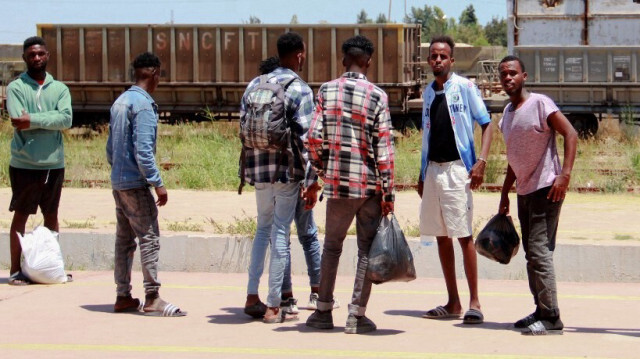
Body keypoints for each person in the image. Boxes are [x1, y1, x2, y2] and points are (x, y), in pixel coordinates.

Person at [305, 35, 395, 334]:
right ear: (368, 61)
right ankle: (356, 316)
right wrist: (388, 190)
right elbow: (383, 148)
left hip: (338, 188)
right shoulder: (377, 96)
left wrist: (323, 170)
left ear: (344, 60)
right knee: (366, 251)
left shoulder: (326, 91)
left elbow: (314, 138)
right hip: (369, 187)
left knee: (331, 248)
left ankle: (323, 313)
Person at [240, 55, 336, 320]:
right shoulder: (299, 88)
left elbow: (242, 126)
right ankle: (273, 305)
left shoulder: (253, 85)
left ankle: (251, 296)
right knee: (281, 230)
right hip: (285, 171)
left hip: (258, 169)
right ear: (300, 55)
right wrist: (310, 180)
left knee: (262, 229)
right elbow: (308, 140)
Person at [497, 55, 577, 335]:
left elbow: (571, 134)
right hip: (524, 191)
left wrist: (564, 175)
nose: (508, 78)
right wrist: (505, 193)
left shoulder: (540, 104)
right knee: (532, 254)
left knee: (540, 253)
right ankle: (541, 310)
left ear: (524, 76)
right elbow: (513, 157)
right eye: (503, 74)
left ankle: (552, 317)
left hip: (546, 188)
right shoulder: (506, 115)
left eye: (513, 73)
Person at [418, 35, 493, 324]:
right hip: (433, 171)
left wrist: (481, 163)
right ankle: (453, 302)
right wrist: (421, 174)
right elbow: (427, 136)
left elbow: (486, 124)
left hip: (456, 170)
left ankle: (474, 302)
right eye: (433, 56)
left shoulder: (464, 87)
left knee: (463, 236)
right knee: (440, 236)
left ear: (451, 60)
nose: (438, 60)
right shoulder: (428, 92)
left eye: (443, 56)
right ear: (429, 61)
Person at [106, 52, 186, 317]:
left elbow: (110, 149)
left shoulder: (120, 101)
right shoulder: (143, 105)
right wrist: (158, 184)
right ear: (155, 74)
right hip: (135, 184)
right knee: (149, 238)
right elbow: (144, 152)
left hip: (118, 182)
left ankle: (123, 295)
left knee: (124, 240)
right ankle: (152, 297)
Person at [5, 36, 72, 285]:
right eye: (32, 55)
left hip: (54, 163)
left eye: (41, 54)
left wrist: (32, 120)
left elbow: (66, 120)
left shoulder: (60, 89)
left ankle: (53, 267)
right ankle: (15, 270)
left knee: (52, 215)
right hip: (25, 164)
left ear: (48, 56)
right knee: (21, 216)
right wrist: (48, 119)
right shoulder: (16, 88)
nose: (36, 58)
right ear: (24, 58)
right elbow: (16, 119)